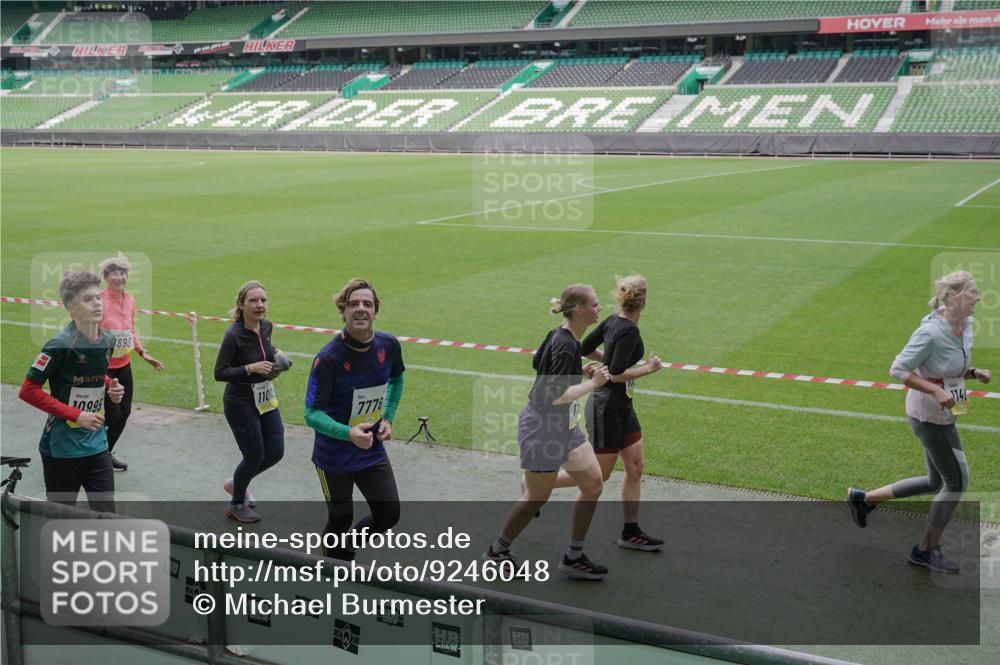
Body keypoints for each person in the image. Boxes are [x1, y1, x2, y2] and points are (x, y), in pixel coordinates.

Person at [848, 271, 990, 573]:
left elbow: (946, 365)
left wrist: (972, 372)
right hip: (928, 415)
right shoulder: (929, 332)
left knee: (936, 481)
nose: (978, 297)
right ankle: (924, 550)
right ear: (952, 296)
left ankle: (864, 499)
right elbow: (898, 369)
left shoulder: (965, 324)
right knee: (957, 482)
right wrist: (936, 390)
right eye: (973, 292)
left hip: (945, 411)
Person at [485, 284, 612, 580]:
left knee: (593, 483)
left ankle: (574, 555)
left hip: (564, 427)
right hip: (544, 428)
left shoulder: (561, 336)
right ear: (579, 310)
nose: (599, 309)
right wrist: (593, 384)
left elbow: (538, 362)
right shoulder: (566, 342)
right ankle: (497, 551)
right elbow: (556, 395)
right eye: (594, 305)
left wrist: (577, 372)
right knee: (535, 500)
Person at [553, 275, 664, 551]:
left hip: (622, 407)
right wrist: (647, 369)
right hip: (606, 408)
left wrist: (610, 362)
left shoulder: (613, 322)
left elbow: (586, 349)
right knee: (599, 476)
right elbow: (615, 375)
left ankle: (630, 531)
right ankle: (540, 485)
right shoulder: (627, 330)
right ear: (644, 301)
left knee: (635, 465)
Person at [305, 278, 405, 561]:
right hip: (333, 456)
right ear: (343, 311)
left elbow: (397, 379)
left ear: (375, 311)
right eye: (354, 304)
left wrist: (387, 418)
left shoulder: (389, 345)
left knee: (388, 514)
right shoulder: (328, 358)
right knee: (340, 518)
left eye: (367, 304)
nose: (361, 309)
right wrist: (349, 433)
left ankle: (344, 550)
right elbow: (311, 413)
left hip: (371, 448)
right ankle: (331, 572)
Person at [18, 270, 125, 512]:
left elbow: (96, 375)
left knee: (107, 516)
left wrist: (111, 387)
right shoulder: (59, 345)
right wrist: (76, 415)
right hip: (61, 450)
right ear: (70, 307)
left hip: (98, 445)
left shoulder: (108, 340)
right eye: (88, 299)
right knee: (60, 519)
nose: (97, 303)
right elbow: (28, 390)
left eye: (98, 297)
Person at [214, 280, 289, 523]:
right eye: (253, 301)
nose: (259, 305)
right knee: (255, 454)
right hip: (240, 402)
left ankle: (237, 483)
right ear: (241, 304)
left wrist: (277, 356)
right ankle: (236, 503)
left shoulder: (266, 327)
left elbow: (264, 348)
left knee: (275, 451)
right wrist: (250, 367)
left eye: (263, 300)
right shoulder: (233, 335)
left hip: (265, 399)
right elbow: (220, 372)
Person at [98, 253, 165, 472]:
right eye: (115, 273)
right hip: (104, 367)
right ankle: (93, 452)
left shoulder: (130, 300)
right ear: (106, 277)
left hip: (123, 365)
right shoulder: (99, 300)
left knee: (124, 413)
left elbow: (130, 330)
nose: (120, 277)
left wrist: (143, 352)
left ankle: (104, 454)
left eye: (123, 273)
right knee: (112, 414)